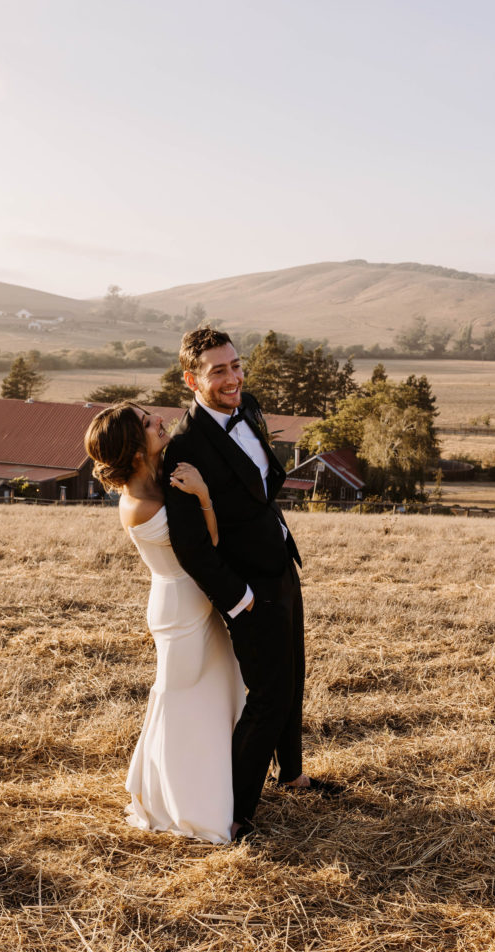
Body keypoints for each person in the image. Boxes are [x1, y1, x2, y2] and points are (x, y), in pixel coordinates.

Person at [163, 327, 338, 843]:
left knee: (294, 672)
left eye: (236, 365)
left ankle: (293, 774)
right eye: (219, 371)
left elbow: (262, 488)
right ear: (192, 379)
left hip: (281, 562)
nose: (234, 378)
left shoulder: (250, 407)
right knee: (267, 695)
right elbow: (192, 547)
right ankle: (234, 815)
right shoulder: (184, 452)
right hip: (248, 590)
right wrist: (239, 600)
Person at [84, 403, 245, 843]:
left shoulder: (160, 480)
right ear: (134, 449)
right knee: (183, 708)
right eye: (146, 422)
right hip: (178, 612)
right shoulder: (140, 504)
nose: (159, 420)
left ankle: (207, 792)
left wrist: (201, 494)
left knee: (212, 700)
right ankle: (184, 808)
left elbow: (204, 542)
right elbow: (204, 545)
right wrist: (203, 497)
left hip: (196, 603)